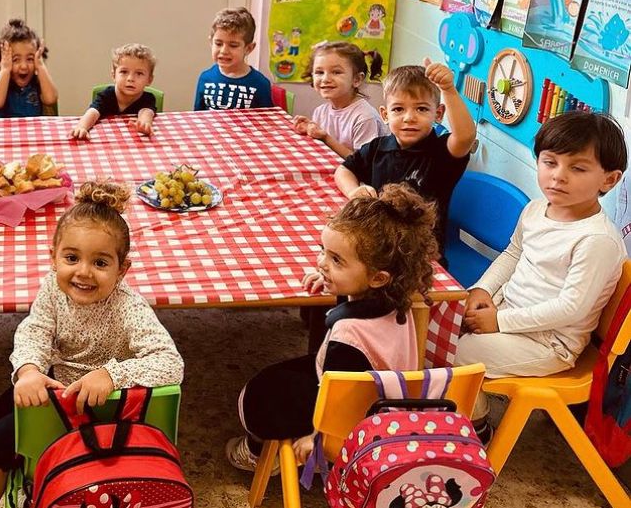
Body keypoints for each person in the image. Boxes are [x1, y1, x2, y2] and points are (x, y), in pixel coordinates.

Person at [0, 181, 184, 508]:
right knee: (2, 407)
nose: (83, 272)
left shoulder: (129, 307)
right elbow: (35, 331)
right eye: (71, 257)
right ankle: (35, 469)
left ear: (122, 270)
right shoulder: (52, 289)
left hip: (108, 409)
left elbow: (171, 363)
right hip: (61, 389)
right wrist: (29, 370)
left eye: (100, 263)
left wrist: (110, 375)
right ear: (53, 258)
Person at [226, 184, 438, 473]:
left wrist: (319, 438)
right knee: (274, 377)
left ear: (377, 278)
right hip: (384, 401)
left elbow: (339, 403)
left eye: (336, 260)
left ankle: (256, 453)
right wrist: (332, 278)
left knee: (258, 396)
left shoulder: (348, 338)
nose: (322, 263)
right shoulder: (397, 299)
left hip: (354, 421)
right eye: (323, 251)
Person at [458, 112, 628, 439]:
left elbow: (571, 309)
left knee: (457, 353)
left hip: (550, 343)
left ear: (609, 180)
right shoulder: (536, 209)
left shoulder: (597, 240)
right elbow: (513, 253)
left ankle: (477, 426)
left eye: (577, 168)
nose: (558, 176)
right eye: (550, 162)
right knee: (438, 322)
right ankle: (456, 407)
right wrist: (482, 290)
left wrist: (499, 322)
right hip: (509, 311)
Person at [335, 59, 476, 264]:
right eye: (398, 109)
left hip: (420, 257)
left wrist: (448, 89)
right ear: (385, 114)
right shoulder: (377, 147)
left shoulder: (441, 152)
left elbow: (465, 137)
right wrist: (353, 191)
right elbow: (344, 170)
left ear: (438, 114)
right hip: (377, 246)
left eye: (421, 109)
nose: (409, 117)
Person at [291, 42, 388, 158]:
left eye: (336, 72)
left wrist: (326, 138)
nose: (325, 79)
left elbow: (363, 163)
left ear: (357, 79)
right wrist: (309, 128)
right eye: (320, 72)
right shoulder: (320, 111)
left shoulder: (365, 118)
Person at [70, 44, 158, 139]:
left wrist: (144, 124)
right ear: (113, 75)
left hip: (131, 140)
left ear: (149, 80)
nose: (130, 78)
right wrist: (82, 127)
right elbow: (93, 112)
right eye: (124, 72)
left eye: (139, 73)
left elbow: (146, 112)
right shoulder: (106, 96)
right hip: (106, 137)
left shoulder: (148, 98)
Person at [193, 7, 273, 111]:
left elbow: (267, 118)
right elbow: (197, 115)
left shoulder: (261, 83)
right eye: (218, 44)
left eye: (233, 45)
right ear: (211, 43)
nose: (224, 51)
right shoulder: (205, 78)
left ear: (249, 48)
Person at [0, 19, 58, 118]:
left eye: (30, 59)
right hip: (3, 128)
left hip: (32, 128)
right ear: (1, 60)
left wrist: (40, 66)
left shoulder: (37, 82)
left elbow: (51, 99)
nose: (24, 66)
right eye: (15, 60)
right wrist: (5, 70)